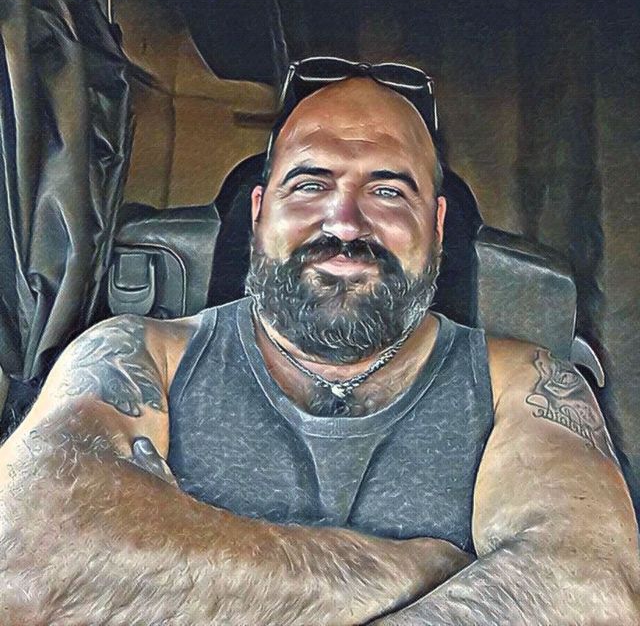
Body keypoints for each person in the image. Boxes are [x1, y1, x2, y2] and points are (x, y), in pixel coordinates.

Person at [0, 58, 638, 625]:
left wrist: (172, 573)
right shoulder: (137, 354)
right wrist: (417, 569)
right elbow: (24, 560)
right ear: (259, 213)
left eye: (387, 190)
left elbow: (591, 591)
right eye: (310, 184)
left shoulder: (524, 381)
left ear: (438, 224)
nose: (345, 223)